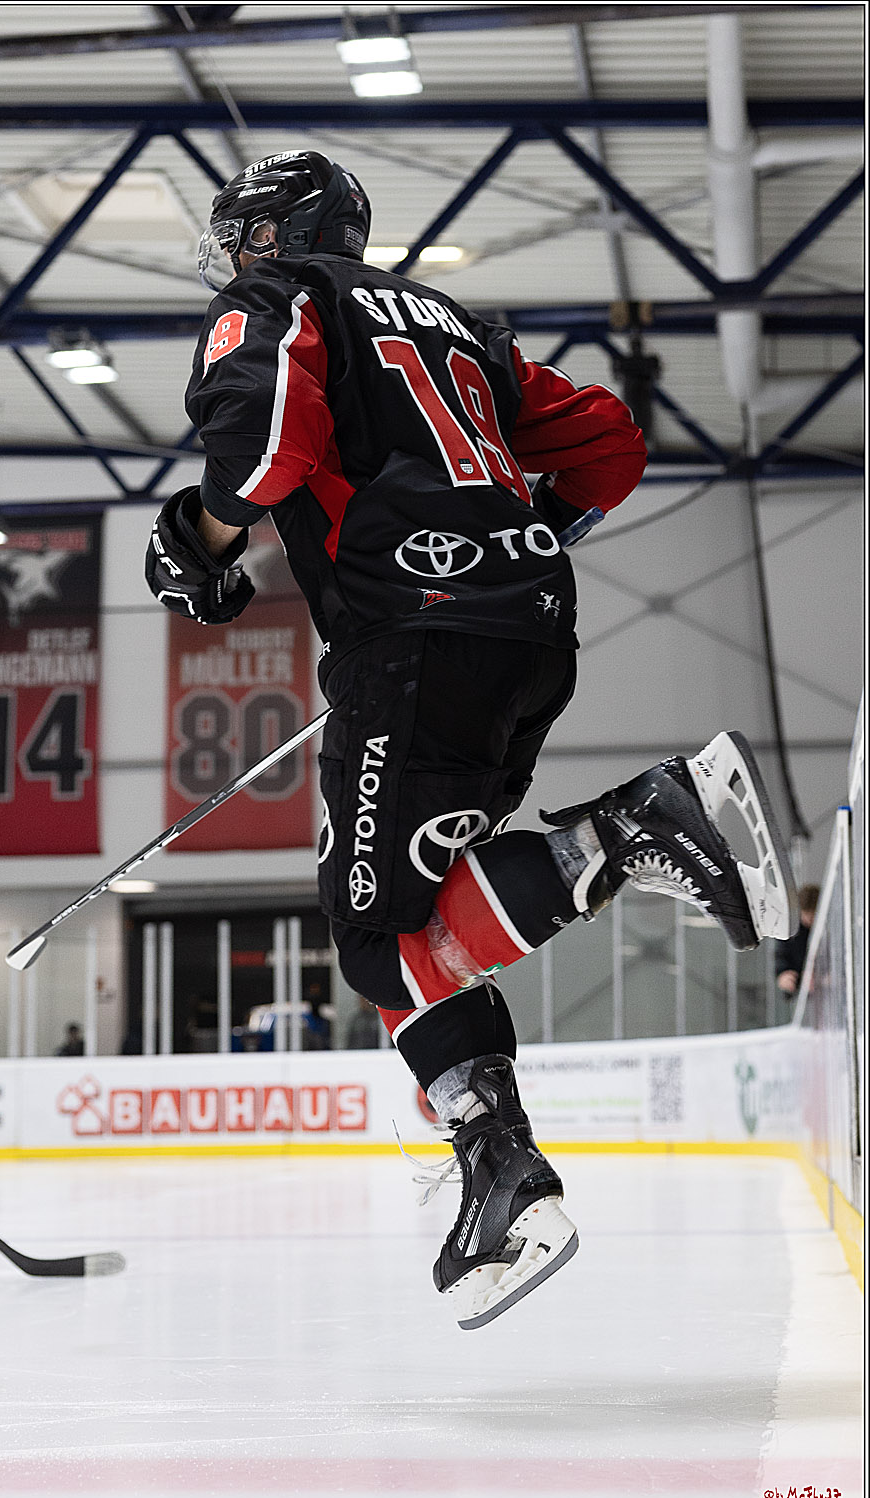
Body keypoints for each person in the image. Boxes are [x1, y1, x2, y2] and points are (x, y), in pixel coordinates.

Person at [145, 151, 798, 1330]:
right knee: (405, 931)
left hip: (413, 641)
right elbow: (608, 443)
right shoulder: (456, 327)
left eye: (245, 233)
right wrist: (509, 543)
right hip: (522, 636)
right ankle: (499, 1168)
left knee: (376, 948)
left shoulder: (282, 299)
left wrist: (200, 537)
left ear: (283, 233)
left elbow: (259, 444)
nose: (231, 257)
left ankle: (632, 825)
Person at [775, 883, 820, 997]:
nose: (811, 922)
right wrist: (784, 975)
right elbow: (781, 956)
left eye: (813, 917)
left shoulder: (830, 929)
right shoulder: (791, 931)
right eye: (807, 917)